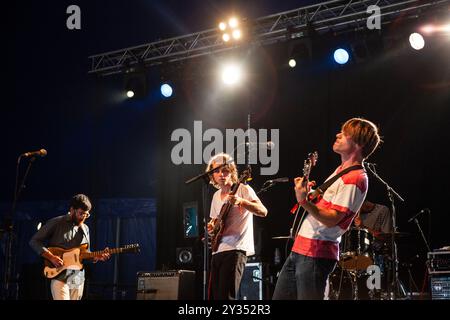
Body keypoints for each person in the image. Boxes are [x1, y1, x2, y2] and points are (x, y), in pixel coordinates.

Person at [273, 117, 381, 300]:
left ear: (358, 144)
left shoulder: (355, 178)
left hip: (315, 253)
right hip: (302, 249)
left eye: (345, 134)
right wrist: (310, 193)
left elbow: (333, 218)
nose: (338, 135)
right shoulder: (342, 171)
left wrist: (304, 202)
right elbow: (328, 205)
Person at [206, 153, 268, 300]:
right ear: (212, 175)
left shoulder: (242, 189)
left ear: (232, 172)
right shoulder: (216, 196)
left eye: (225, 170)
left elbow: (263, 211)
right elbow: (215, 221)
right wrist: (211, 227)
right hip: (217, 250)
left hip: (235, 249)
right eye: (216, 171)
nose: (221, 174)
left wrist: (241, 201)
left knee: (226, 297)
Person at [29, 194, 110, 300]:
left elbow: (84, 253)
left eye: (86, 215)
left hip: (78, 279)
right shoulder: (57, 222)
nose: (83, 217)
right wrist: (51, 257)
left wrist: (96, 257)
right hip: (60, 277)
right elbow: (34, 241)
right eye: (81, 213)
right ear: (72, 210)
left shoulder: (85, 228)